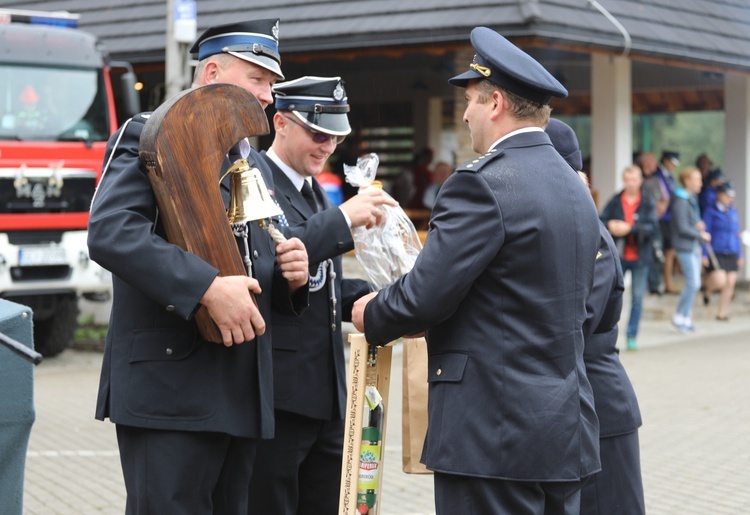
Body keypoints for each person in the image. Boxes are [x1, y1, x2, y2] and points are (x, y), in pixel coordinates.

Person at [352, 27, 601, 514]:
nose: (464, 114)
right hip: (562, 430)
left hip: (493, 433)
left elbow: (427, 296)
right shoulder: (575, 188)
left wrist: (372, 312)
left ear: (496, 103)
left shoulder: (482, 184)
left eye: (469, 100)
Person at [87, 19, 311, 513]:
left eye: (271, 84)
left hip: (241, 393)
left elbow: (244, 259)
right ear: (211, 72)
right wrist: (207, 288)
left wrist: (288, 277)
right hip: (172, 392)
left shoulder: (246, 161)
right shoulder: (150, 133)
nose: (270, 96)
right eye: (258, 80)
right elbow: (112, 233)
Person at [247, 76, 396, 514]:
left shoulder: (315, 191)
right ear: (281, 123)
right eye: (318, 132)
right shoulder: (253, 177)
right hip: (279, 396)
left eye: (335, 136)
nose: (327, 145)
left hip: (325, 394)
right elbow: (273, 260)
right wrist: (343, 220)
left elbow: (320, 282)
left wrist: (382, 297)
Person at [545, 119, 645, 515]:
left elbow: (578, 321)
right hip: (574, 407)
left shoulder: (593, 236)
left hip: (602, 410)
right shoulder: (569, 229)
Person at [599, 165, 659, 350]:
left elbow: (653, 228)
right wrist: (612, 225)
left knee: (637, 298)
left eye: (634, 179)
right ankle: (605, 335)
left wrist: (630, 228)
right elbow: (600, 220)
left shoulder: (648, 201)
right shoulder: (616, 200)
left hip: (640, 256)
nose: (630, 183)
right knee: (610, 295)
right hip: (619, 255)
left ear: (640, 181)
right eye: (627, 179)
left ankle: (631, 336)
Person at [670, 166, 711, 333]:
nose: (700, 183)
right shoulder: (681, 200)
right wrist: (700, 234)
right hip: (685, 246)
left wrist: (698, 226)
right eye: (697, 179)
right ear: (687, 181)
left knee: (695, 283)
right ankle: (679, 317)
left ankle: (685, 317)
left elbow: (690, 223)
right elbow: (681, 227)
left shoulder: (690, 199)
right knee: (693, 282)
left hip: (692, 247)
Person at [702, 181, 743, 320]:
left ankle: (721, 313)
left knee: (730, 282)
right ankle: (707, 290)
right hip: (716, 251)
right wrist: (704, 254)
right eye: (727, 195)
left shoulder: (732, 211)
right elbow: (705, 235)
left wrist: (740, 254)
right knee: (720, 281)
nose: (729, 199)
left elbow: (736, 234)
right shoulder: (711, 211)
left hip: (731, 251)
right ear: (719, 194)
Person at [637, 151, 667, 294]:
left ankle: (655, 285)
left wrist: (662, 207)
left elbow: (666, 197)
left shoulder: (657, 179)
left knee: (657, 252)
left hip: (655, 222)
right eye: (653, 162)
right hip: (641, 224)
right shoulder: (638, 179)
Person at [656, 150, 681, 294]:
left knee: (670, 251)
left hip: (669, 219)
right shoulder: (657, 175)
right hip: (661, 219)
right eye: (671, 162)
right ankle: (664, 283)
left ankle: (668, 282)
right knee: (662, 251)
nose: (673, 166)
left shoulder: (669, 176)